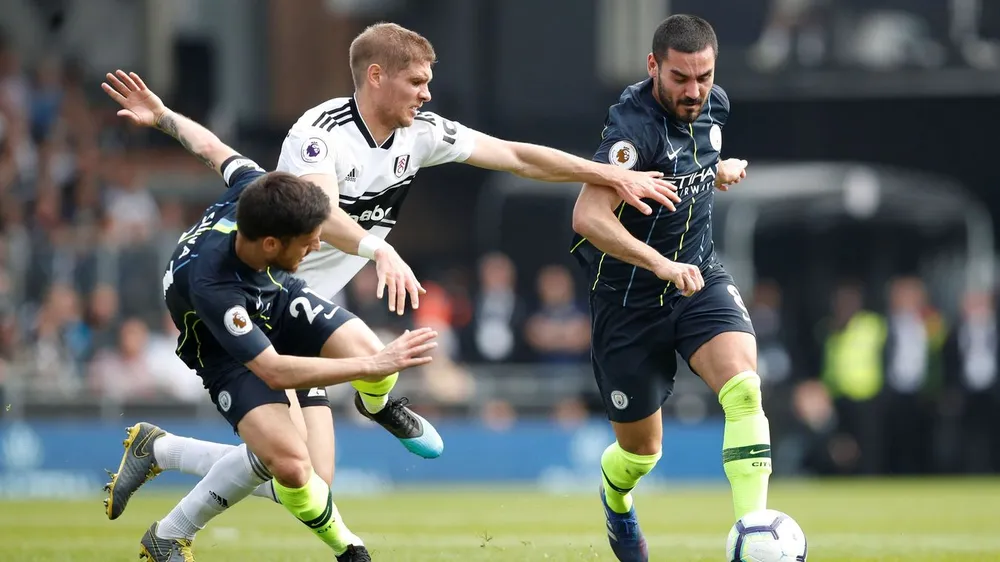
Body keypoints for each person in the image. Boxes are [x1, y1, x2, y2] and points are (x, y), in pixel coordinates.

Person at [105, 20, 683, 531]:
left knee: (312, 483)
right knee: (294, 468)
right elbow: (321, 213)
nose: (427, 93)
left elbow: (515, 156)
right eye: (417, 82)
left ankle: (175, 451)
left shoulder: (420, 133)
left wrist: (608, 174)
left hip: (300, 304)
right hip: (263, 300)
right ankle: (170, 510)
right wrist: (375, 247)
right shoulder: (319, 133)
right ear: (376, 76)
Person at [100, 70, 439, 562]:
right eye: (309, 242)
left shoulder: (257, 188)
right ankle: (344, 549)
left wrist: (163, 116)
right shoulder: (214, 287)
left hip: (273, 298)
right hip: (223, 346)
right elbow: (274, 370)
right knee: (296, 471)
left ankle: (376, 406)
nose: (318, 246)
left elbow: (211, 147)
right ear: (273, 244)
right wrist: (372, 366)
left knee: (319, 462)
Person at [569, 15, 770, 562]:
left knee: (744, 390)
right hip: (628, 303)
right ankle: (616, 496)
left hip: (698, 278)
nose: (694, 91)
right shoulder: (631, 131)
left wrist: (716, 171)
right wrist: (659, 263)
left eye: (704, 76)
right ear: (653, 67)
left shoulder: (714, 105)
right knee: (642, 453)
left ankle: (754, 534)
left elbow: (690, 162)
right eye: (681, 78)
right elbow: (588, 217)